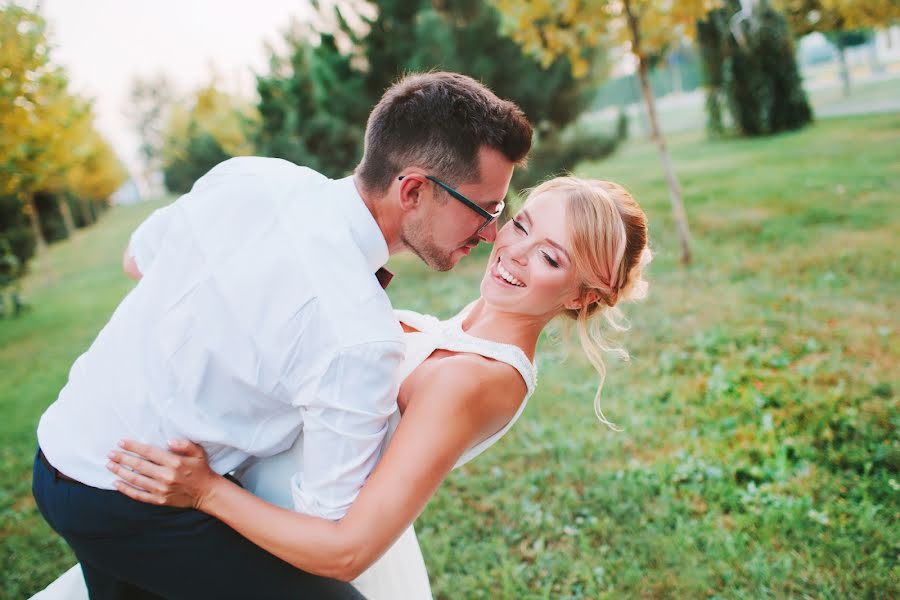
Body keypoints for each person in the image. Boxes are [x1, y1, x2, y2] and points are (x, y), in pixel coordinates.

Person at [31, 71, 533, 600]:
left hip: (59, 450)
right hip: (134, 493)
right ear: (412, 189)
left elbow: (138, 259)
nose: (491, 233)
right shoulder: (358, 339)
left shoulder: (251, 177)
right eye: (485, 210)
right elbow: (329, 540)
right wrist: (205, 492)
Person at [32, 176, 652, 599]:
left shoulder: (473, 378)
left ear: (581, 296)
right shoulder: (453, 332)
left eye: (551, 258)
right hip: (267, 516)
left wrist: (205, 494)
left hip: (294, 541)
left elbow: (347, 548)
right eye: (521, 225)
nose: (513, 252)